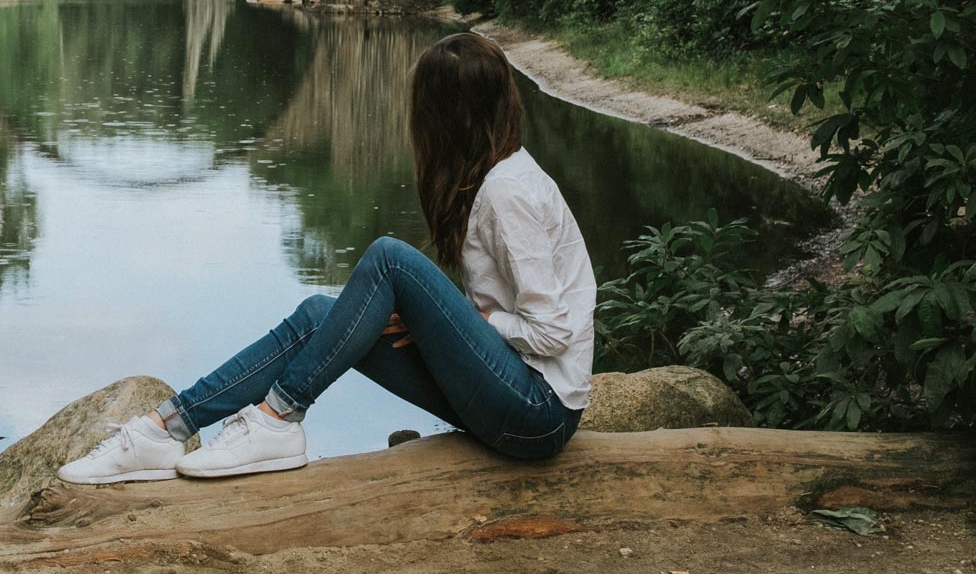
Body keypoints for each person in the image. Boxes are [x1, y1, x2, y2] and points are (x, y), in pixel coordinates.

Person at [58, 31, 596, 483]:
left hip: (536, 415)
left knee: (390, 258)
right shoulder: (492, 178)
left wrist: (477, 323)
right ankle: (166, 429)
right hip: (504, 393)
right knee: (322, 314)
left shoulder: (508, 192)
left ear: (444, 115)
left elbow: (553, 331)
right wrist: (449, 326)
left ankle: (279, 417)